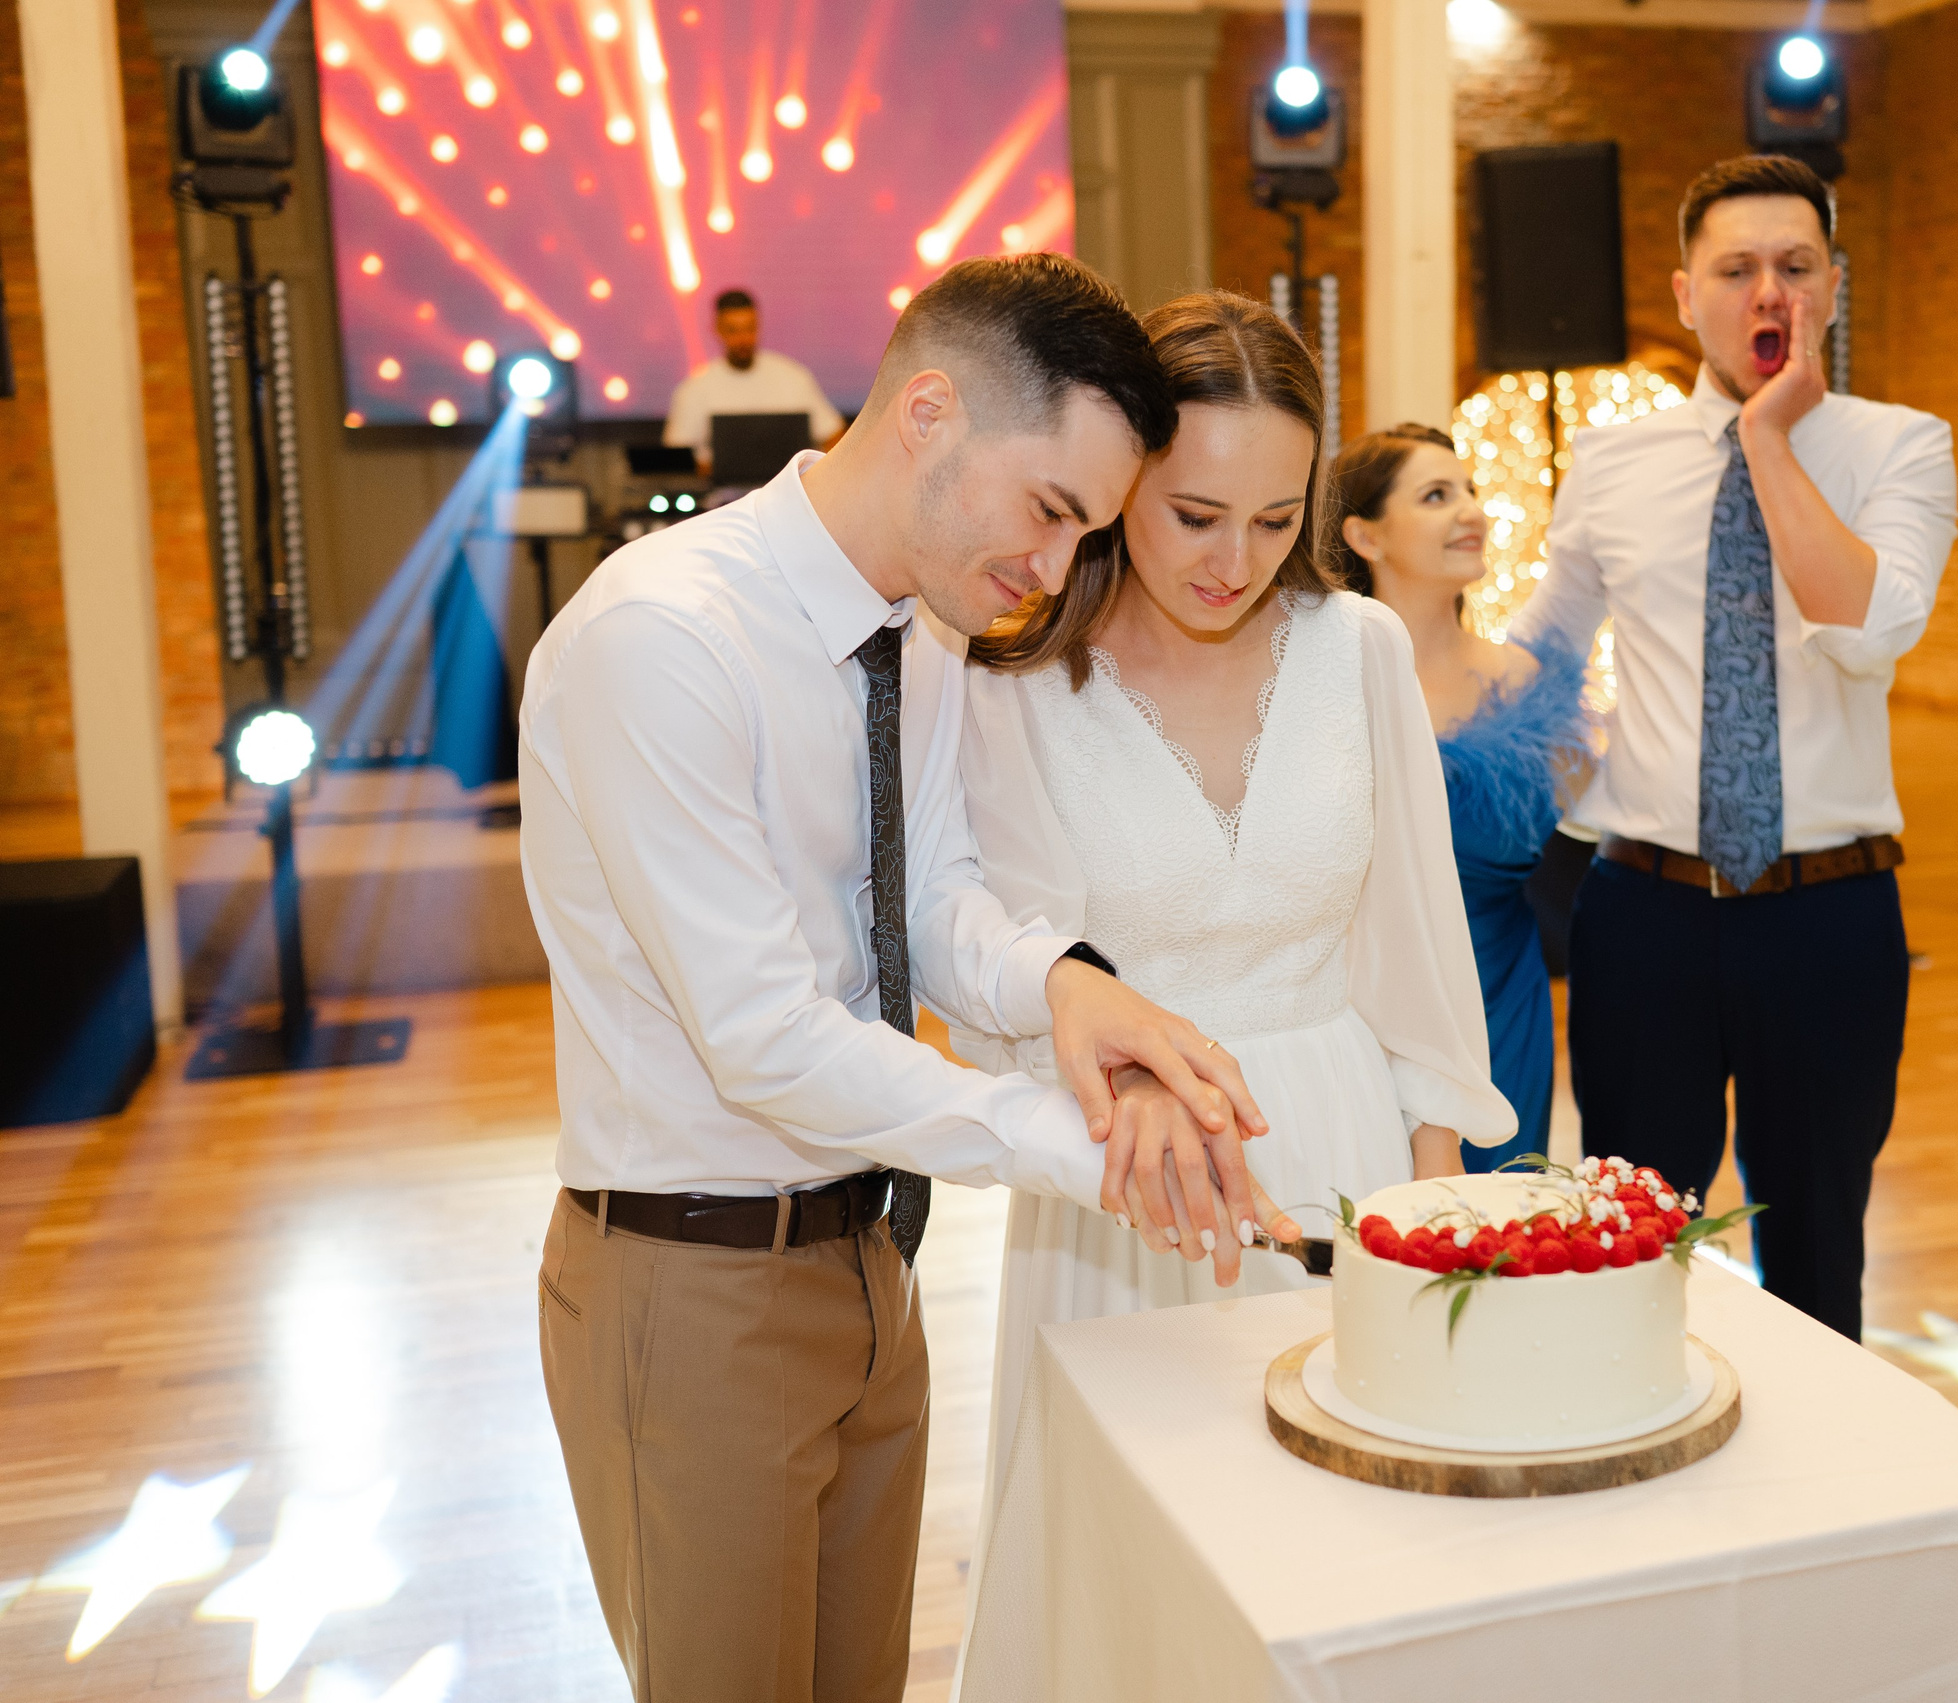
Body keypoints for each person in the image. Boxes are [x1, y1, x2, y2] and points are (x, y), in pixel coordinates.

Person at [518, 254, 1297, 1703]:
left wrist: (1073, 983)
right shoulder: (663, 639)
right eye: (1052, 510)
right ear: (929, 408)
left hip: (867, 1257)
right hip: (691, 1279)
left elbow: (930, 899)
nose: (1055, 572)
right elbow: (762, 1036)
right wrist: (1081, 1149)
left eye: (1088, 532)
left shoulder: (921, 629)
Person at [951, 293, 1515, 1613]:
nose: (1234, 559)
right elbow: (1006, 977)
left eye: (1276, 521)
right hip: (1118, 1172)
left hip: (1340, 1136)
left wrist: (1425, 1212)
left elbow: (1418, 945)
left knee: (1353, 1566)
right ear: (1118, 478)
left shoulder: (1359, 646)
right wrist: (1117, 1089)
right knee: (1146, 1584)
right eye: (1195, 516)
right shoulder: (1015, 681)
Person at [1512, 154, 1958, 1339]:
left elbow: (1864, 633)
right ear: (1683, 294)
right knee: (1626, 1247)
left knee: (1818, 1251)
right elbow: (1538, 663)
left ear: (1834, 284)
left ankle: (1814, 1508)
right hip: (1643, 918)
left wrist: (1769, 439)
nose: (1770, 293)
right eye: (1737, 269)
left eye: (1796, 267)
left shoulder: (1901, 447)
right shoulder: (1611, 462)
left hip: (1831, 916)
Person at [1328, 423, 1591, 1172]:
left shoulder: (1530, 686)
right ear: (1365, 535)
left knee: (1495, 1227)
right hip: (1362, 1005)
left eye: (1471, 490)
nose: (1470, 510)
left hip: (1500, 1000)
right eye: (1437, 495)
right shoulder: (1327, 684)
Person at [663, 286, 848, 472]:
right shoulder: (695, 389)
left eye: (749, 328)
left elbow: (833, 435)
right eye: (733, 330)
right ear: (717, 329)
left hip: (792, 492)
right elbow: (679, 457)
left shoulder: (792, 376)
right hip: (722, 499)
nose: (743, 339)